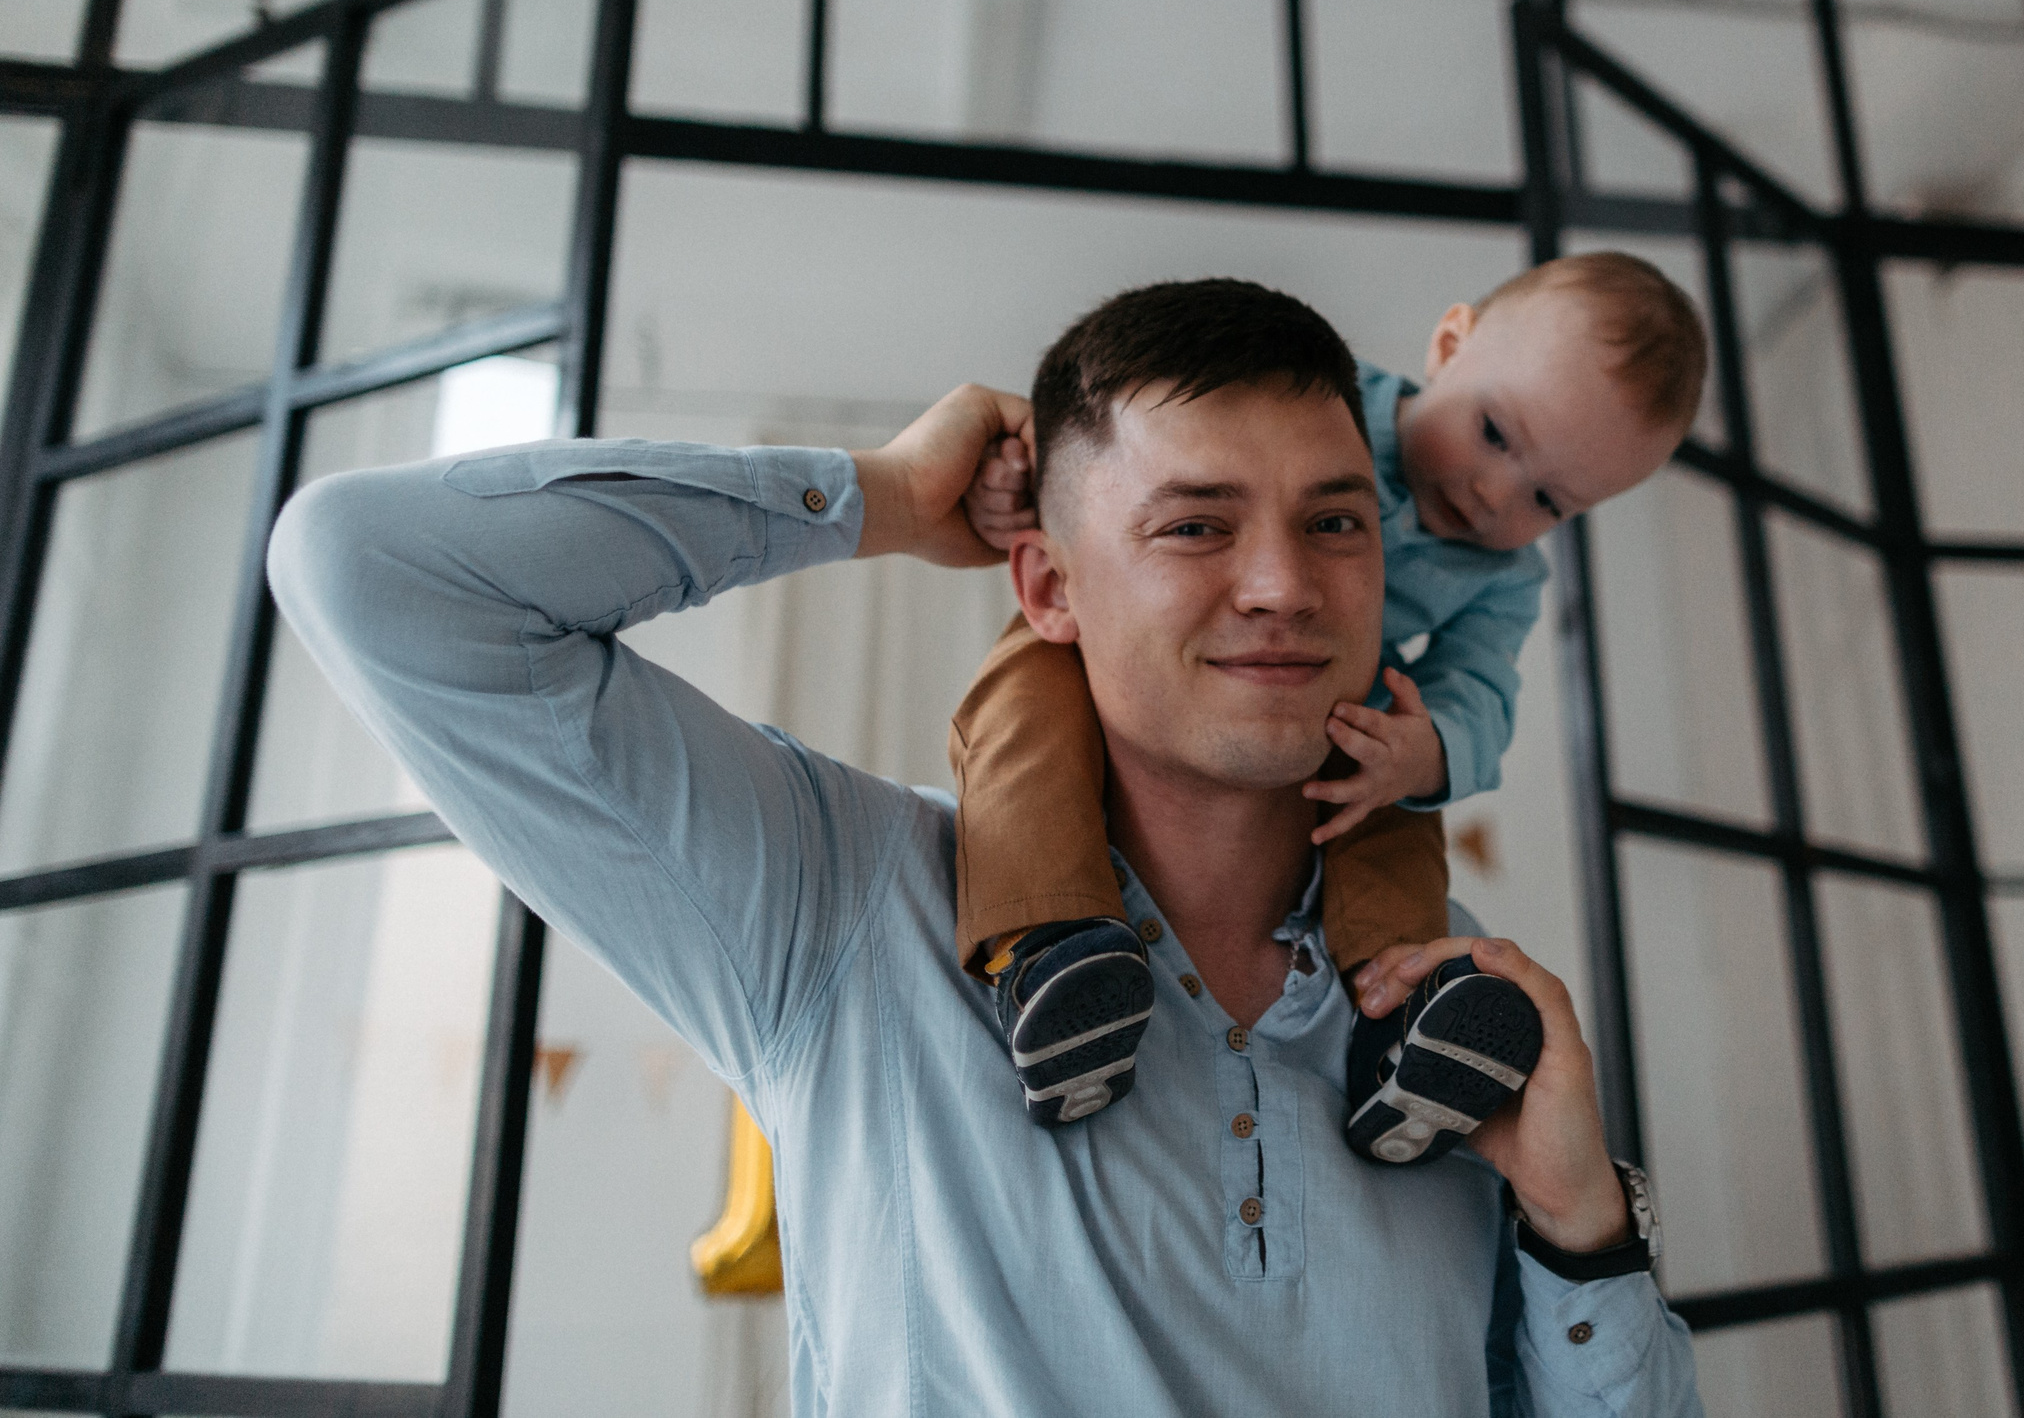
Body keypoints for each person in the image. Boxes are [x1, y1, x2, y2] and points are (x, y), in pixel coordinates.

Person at [267, 277, 1703, 1416]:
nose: (1282, 584)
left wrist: (1584, 1227)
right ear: (1049, 587)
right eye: (1195, 525)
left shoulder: (1465, 1026)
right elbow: (370, 569)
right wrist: (881, 498)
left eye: (1336, 521)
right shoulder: (838, 906)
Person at [948, 256, 1704, 1167]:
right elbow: (1107, 466)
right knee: (1021, 715)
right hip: (1091, 646)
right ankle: (1047, 943)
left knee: (1391, 810)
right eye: (1495, 434)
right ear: (1450, 344)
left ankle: (1407, 1024)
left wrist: (1426, 751)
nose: (1495, 493)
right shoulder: (1313, 407)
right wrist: (1010, 481)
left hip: (1340, 712)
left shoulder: (1505, 575)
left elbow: (1481, 689)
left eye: (1549, 499)